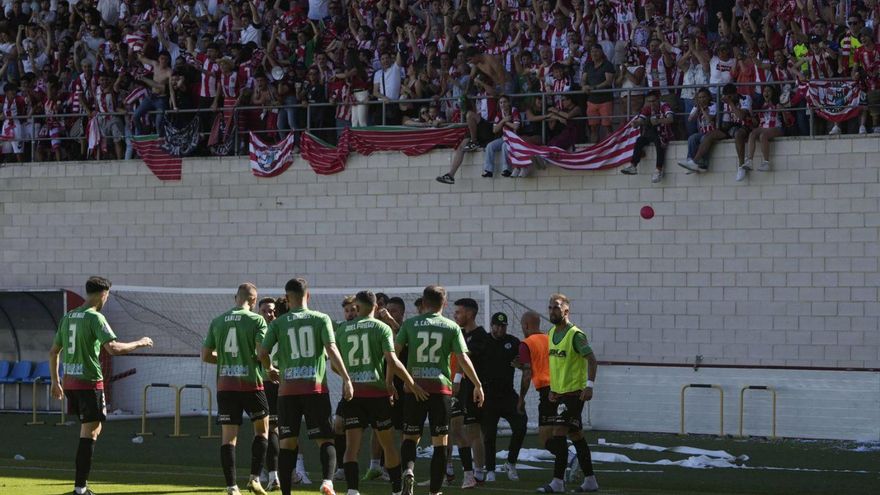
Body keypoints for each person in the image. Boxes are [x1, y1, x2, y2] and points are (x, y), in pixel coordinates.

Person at [49, 276, 154, 495]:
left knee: (90, 429)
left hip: (70, 382)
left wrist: (55, 382)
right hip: (89, 383)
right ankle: (80, 488)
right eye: (107, 295)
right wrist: (140, 342)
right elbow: (113, 348)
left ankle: (80, 486)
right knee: (91, 432)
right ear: (102, 294)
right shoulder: (96, 318)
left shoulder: (68, 317)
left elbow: (53, 352)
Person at [258, 278, 354, 495]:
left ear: (287, 298)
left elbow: (262, 353)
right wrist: (347, 379)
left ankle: (286, 493)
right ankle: (328, 481)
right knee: (325, 439)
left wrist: (270, 369)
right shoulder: (321, 319)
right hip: (315, 389)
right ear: (307, 295)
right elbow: (331, 350)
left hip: (288, 391)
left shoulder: (278, 323)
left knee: (287, 443)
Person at [336, 290, 428, 495]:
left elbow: (335, 363)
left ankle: (352, 490)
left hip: (353, 395)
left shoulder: (342, 329)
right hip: (377, 395)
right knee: (388, 445)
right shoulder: (382, 328)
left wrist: (347, 378)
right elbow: (392, 361)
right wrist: (410, 383)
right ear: (376, 307)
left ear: (357, 307)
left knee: (352, 447)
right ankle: (396, 490)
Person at [396, 285, 484, 495]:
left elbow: (393, 355)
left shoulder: (409, 324)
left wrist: (396, 381)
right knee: (440, 442)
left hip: (414, 388)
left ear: (423, 303)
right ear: (444, 304)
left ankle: (408, 470)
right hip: (440, 390)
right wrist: (478, 384)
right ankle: (434, 492)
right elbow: (463, 358)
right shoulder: (451, 327)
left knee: (410, 437)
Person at [201, 283, 271, 495]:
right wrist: (270, 368)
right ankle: (254, 478)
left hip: (226, 386)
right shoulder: (257, 320)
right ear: (253, 301)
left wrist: (226, 361)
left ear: (235, 298)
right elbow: (261, 353)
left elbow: (205, 355)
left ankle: (231, 486)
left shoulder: (217, 321)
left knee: (228, 437)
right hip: (251, 385)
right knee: (262, 430)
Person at [536, 294, 599, 494]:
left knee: (559, 433)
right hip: (560, 394)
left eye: (556, 307)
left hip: (575, 394)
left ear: (566, 311)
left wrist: (589, 386)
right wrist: (553, 389)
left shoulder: (576, 335)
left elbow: (592, 360)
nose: (552, 311)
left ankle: (557, 482)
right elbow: (557, 365)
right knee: (576, 434)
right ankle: (590, 480)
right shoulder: (552, 333)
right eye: (550, 307)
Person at [479, 312, 527, 482]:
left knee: (521, 425)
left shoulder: (513, 342)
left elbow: (525, 365)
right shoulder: (482, 341)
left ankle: (511, 462)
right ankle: (490, 469)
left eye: (503, 326)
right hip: (488, 395)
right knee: (489, 434)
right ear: (491, 325)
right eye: (497, 325)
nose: (500, 329)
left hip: (508, 394)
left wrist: (520, 364)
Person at [450, 298, 489, 488]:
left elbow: (464, 358)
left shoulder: (480, 335)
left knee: (473, 430)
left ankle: (479, 473)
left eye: (459, 312)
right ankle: (450, 470)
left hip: (473, 389)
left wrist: (457, 380)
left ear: (470, 314)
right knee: (455, 429)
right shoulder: (459, 334)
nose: (455, 315)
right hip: (461, 391)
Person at [516, 311, 554, 450]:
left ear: (525, 325)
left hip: (547, 391)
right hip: (562, 388)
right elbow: (542, 363)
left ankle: (571, 458)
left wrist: (521, 398)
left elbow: (527, 374)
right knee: (563, 432)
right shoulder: (550, 339)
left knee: (545, 439)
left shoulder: (526, 344)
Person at [620, 90, 674, 183]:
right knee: (640, 140)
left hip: (664, 132)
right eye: (649, 101)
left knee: (659, 142)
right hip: (652, 132)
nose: (651, 103)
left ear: (658, 100)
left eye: (653, 101)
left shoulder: (664, 106)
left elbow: (670, 119)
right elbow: (641, 119)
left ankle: (658, 169)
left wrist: (659, 121)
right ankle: (633, 165)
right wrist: (635, 123)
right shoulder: (647, 108)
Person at [257, 297, 281, 491]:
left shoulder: (281, 329)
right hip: (261, 384)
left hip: (277, 384)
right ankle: (267, 472)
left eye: (271, 310)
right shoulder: (257, 331)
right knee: (265, 429)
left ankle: (274, 474)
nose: (269, 314)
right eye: (264, 311)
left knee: (273, 429)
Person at [742, 85, 785, 178]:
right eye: (765, 91)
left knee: (763, 136)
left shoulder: (776, 104)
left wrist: (783, 110)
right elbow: (755, 122)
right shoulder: (760, 105)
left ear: (772, 93)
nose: (766, 93)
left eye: (769, 91)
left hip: (776, 127)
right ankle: (749, 160)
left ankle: (766, 162)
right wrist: (751, 115)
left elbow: (785, 118)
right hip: (763, 126)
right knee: (752, 134)